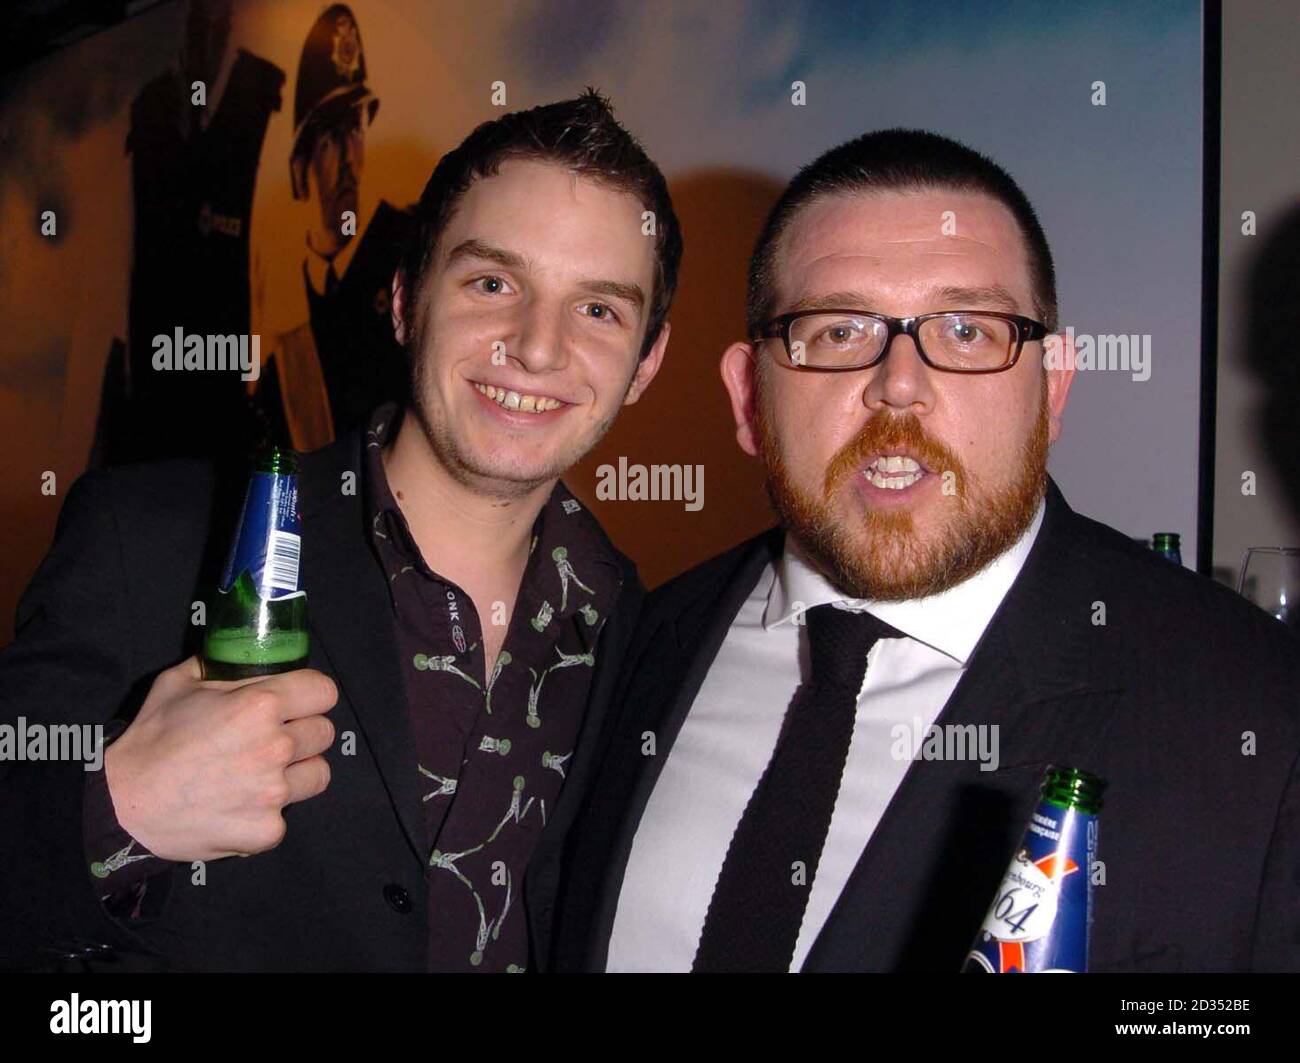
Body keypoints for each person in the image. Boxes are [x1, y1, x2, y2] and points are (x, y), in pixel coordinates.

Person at [552, 129, 1300, 973]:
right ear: (748, 398)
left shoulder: (1258, 728)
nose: (899, 384)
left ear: (1053, 388)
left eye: (968, 330)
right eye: (837, 331)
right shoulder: (631, 645)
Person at [0, 89, 680, 973]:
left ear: (646, 362)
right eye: (491, 282)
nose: (538, 347)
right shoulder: (152, 540)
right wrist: (114, 810)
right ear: (403, 301)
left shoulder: (639, 627)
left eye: (598, 309)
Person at [254, 3, 416, 453]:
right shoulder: (289, 317)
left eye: (355, 130)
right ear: (301, 166)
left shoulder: (410, 251)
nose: (347, 157)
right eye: (329, 139)